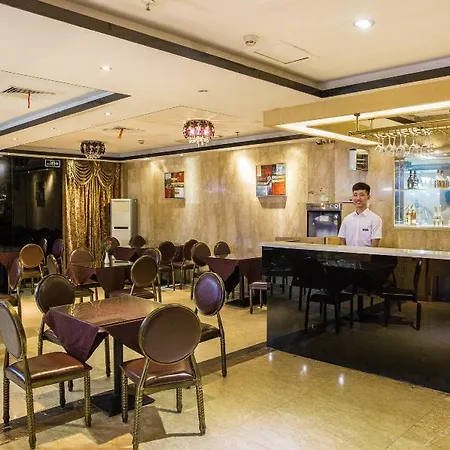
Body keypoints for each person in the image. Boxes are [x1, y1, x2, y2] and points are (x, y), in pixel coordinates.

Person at [338, 182, 382, 247]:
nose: (358, 198)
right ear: (352, 197)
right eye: (355, 195)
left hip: (367, 253)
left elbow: (374, 246)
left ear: (368, 197)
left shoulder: (375, 219)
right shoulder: (346, 219)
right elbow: (342, 242)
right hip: (348, 253)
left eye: (362, 195)